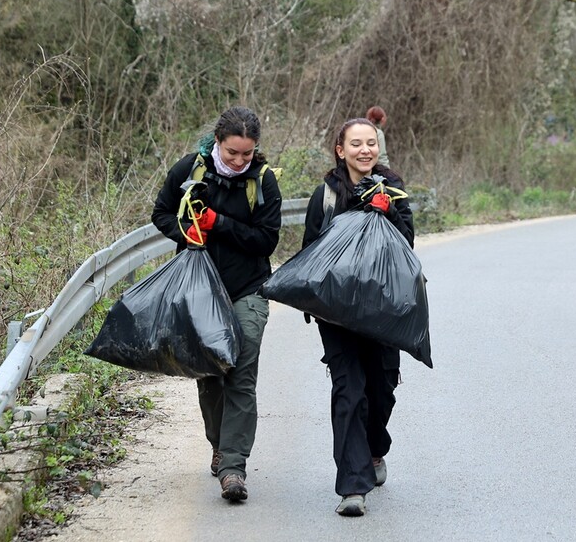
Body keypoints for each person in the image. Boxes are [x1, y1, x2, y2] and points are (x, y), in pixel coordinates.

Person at [151, 106, 281, 503]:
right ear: (217, 143)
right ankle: (220, 446)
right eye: (231, 153)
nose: (239, 161)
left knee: (240, 374)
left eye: (247, 153)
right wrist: (187, 232)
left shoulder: (263, 181)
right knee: (210, 376)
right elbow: (160, 213)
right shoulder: (190, 170)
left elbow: (266, 241)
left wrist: (218, 225)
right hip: (201, 292)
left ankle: (233, 468)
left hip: (249, 290)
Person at [301, 118, 414, 517]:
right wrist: (311, 307)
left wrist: (389, 213)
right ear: (340, 150)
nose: (365, 150)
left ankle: (375, 449)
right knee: (349, 392)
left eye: (371, 143)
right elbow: (310, 253)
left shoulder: (393, 190)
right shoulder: (327, 196)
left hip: (384, 312)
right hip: (338, 315)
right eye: (356, 144)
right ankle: (353, 485)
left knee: (381, 390)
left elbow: (408, 248)